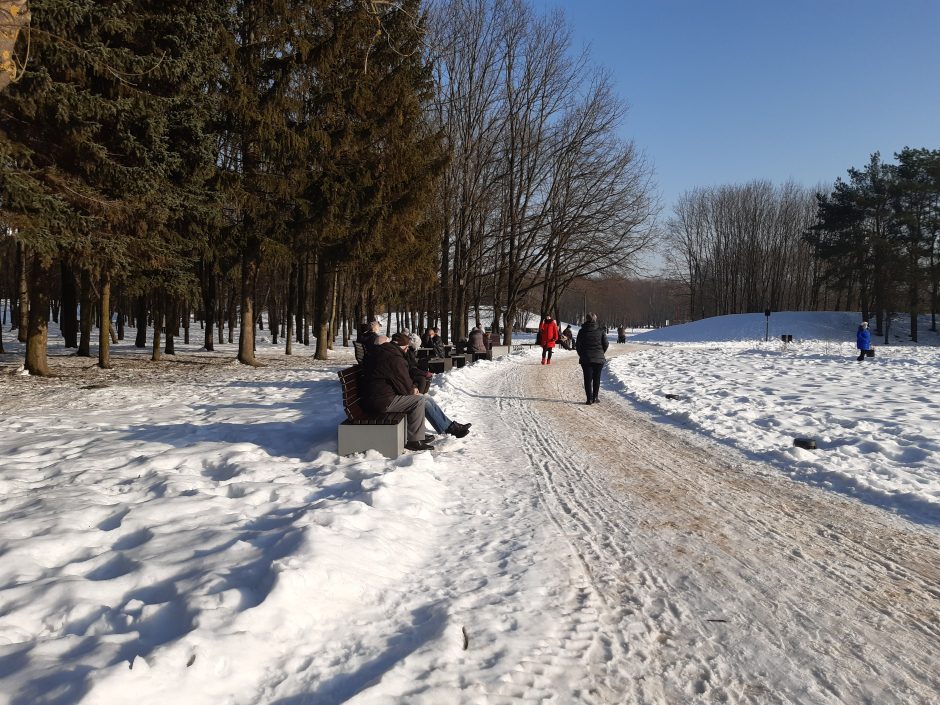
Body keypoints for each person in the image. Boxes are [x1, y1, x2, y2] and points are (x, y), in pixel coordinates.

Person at [362, 333, 471, 451]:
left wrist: (412, 388)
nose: (407, 349)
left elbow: (400, 380)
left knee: (425, 398)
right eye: (407, 347)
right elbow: (403, 383)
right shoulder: (393, 358)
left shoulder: (388, 354)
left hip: (380, 397)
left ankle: (450, 427)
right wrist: (412, 389)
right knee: (419, 401)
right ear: (404, 347)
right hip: (382, 401)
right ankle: (414, 440)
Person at [576, 312, 608, 404]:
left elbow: (578, 345)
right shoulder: (601, 330)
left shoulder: (582, 331)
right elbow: (606, 344)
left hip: (586, 358)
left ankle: (589, 399)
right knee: (596, 378)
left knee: (587, 379)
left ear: (586, 319)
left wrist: (582, 354)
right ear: (595, 319)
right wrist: (601, 353)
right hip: (599, 359)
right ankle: (595, 397)